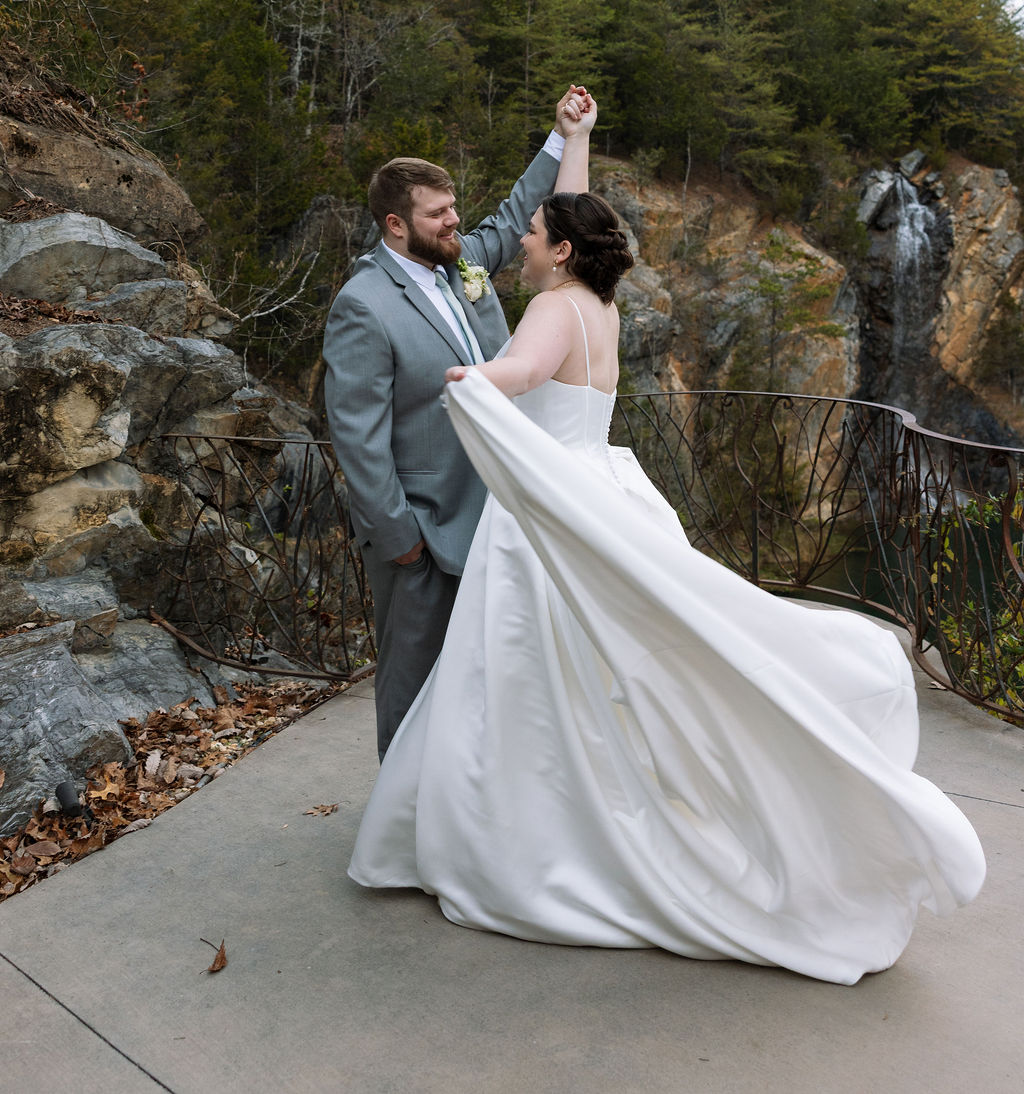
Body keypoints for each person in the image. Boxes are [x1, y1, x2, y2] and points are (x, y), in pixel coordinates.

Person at [348, 189, 986, 985]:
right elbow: (563, 352)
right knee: (585, 673)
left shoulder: (553, 307)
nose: (521, 244)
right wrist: (570, 137)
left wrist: (471, 375)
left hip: (551, 506)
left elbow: (521, 371)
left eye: (534, 235)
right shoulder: (601, 307)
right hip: (598, 484)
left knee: (523, 673)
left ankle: (528, 835)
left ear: (563, 252)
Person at [323, 87, 596, 758]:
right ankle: (402, 826)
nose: (454, 222)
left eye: (452, 209)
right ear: (395, 224)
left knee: (480, 683)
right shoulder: (363, 306)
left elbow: (514, 215)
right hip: (423, 528)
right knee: (412, 685)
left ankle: (457, 823)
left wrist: (564, 136)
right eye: (438, 213)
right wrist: (401, 539)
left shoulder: (459, 265)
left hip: (494, 516)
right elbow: (357, 436)